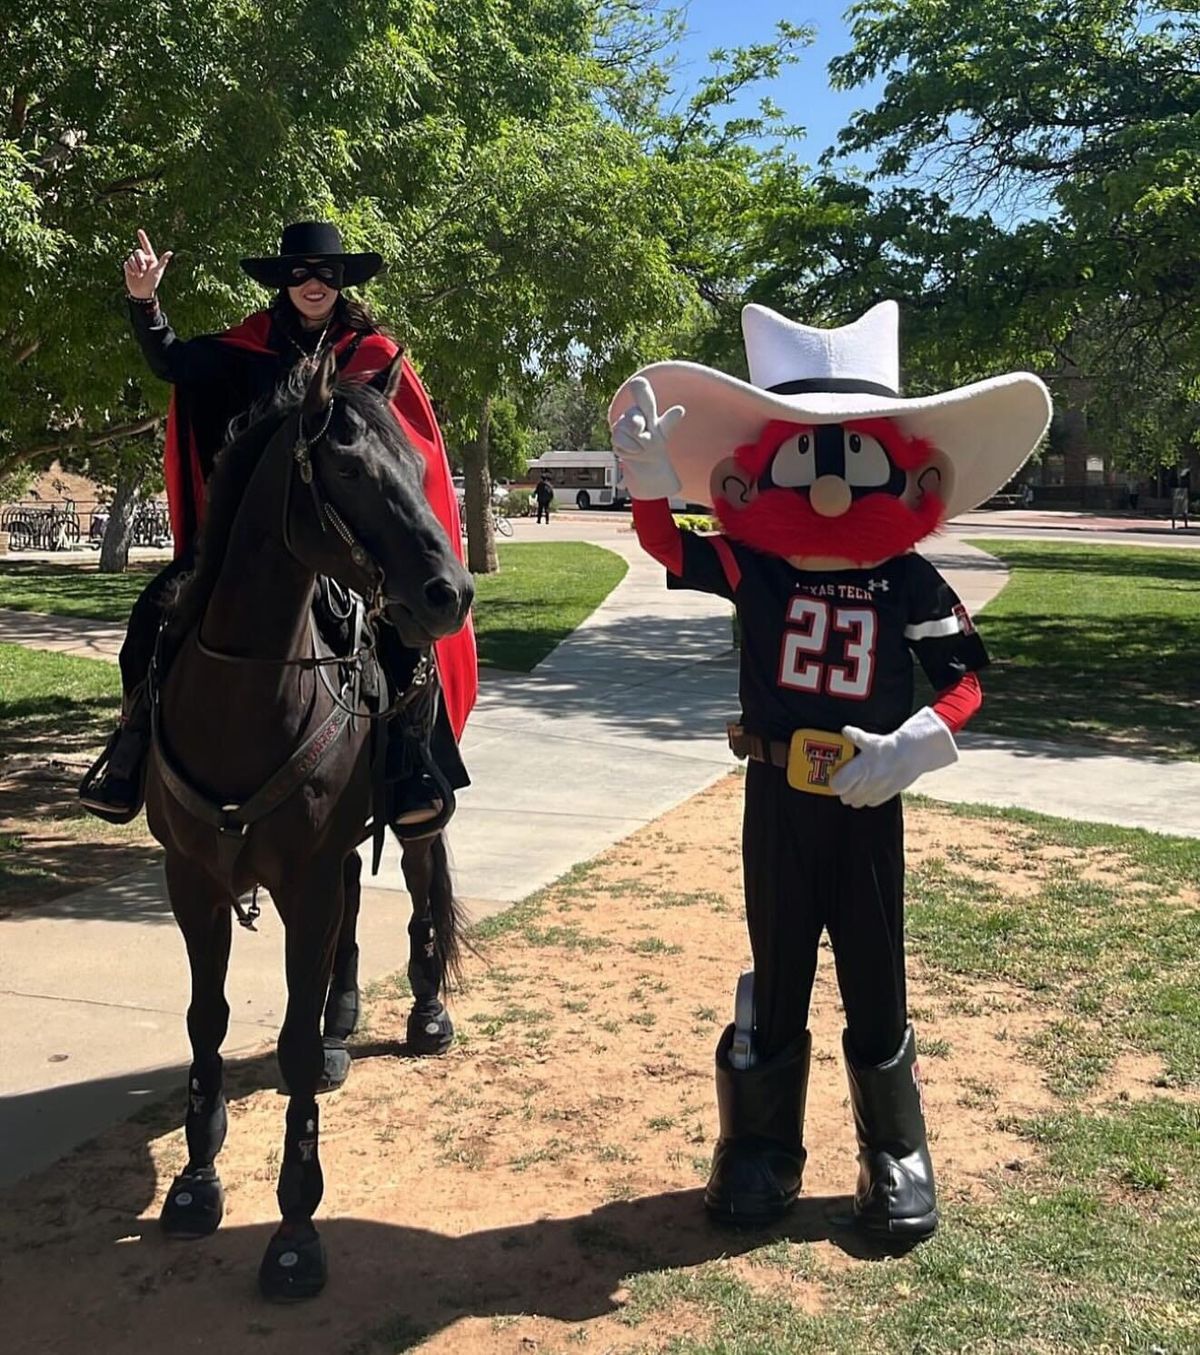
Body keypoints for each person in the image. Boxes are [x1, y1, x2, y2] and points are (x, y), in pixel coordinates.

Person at [609, 301, 1051, 1238]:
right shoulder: (754, 562)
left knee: (873, 960)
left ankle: (895, 1147)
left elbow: (966, 678)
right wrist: (649, 481)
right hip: (777, 787)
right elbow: (665, 547)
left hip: (869, 794)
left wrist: (911, 748)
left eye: (855, 459)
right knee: (778, 965)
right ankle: (759, 1148)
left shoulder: (906, 578)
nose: (835, 491)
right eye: (810, 459)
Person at [79, 222, 477, 830]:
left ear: (342, 282)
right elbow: (174, 362)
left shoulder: (369, 357)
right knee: (153, 614)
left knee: (401, 635)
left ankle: (408, 763)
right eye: (299, 274)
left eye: (325, 273)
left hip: (344, 538)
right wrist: (144, 301)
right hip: (252, 541)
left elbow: (401, 457)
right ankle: (131, 749)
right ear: (282, 283)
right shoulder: (248, 350)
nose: (313, 284)